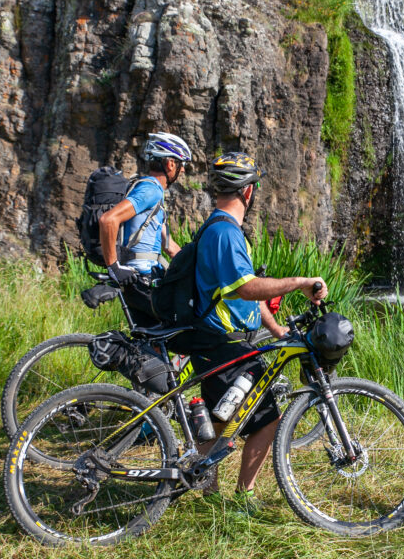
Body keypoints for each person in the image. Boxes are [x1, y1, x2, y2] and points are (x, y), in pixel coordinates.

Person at [178, 152, 328, 513]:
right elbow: (247, 288)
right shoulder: (225, 233)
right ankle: (238, 496)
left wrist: (275, 328)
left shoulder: (222, 229)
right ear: (248, 192)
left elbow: (241, 291)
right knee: (266, 422)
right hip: (222, 345)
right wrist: (301, 282)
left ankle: (208, 489)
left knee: (223, 418)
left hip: (226, 343)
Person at [99, 132, 192, 326]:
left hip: (143, 279)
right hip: (141, 280)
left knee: (151, 344)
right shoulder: (150, 190)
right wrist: (113, 267)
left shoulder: (154, 194)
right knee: (187, 324)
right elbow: (108, 220)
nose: (183, 171)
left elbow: (170, 247)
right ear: (170, 164)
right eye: (182, 164)